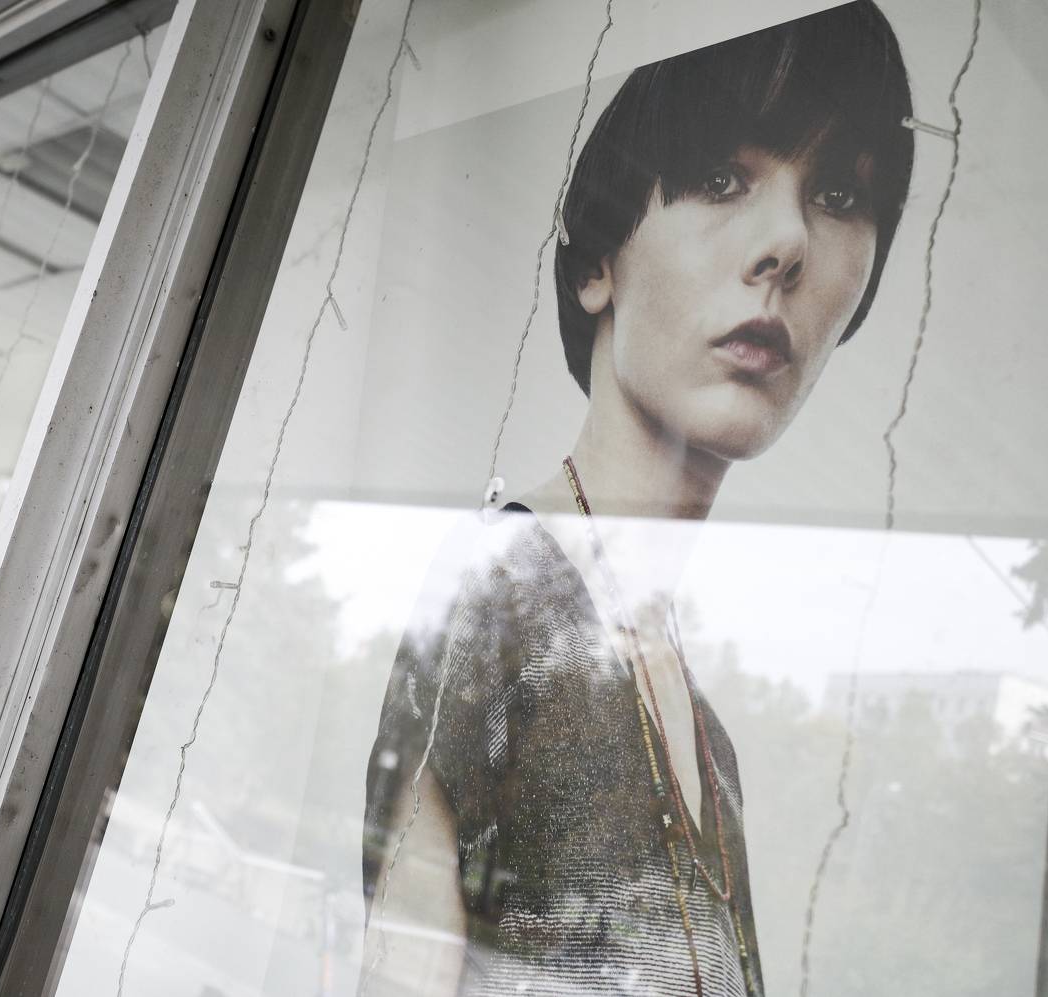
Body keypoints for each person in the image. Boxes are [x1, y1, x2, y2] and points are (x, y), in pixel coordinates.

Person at [360, 4, 915, 995]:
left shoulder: (713, 747)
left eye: (837, 194)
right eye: (721, 178)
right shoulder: (501, 594)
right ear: (596, 265)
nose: (787, 242)